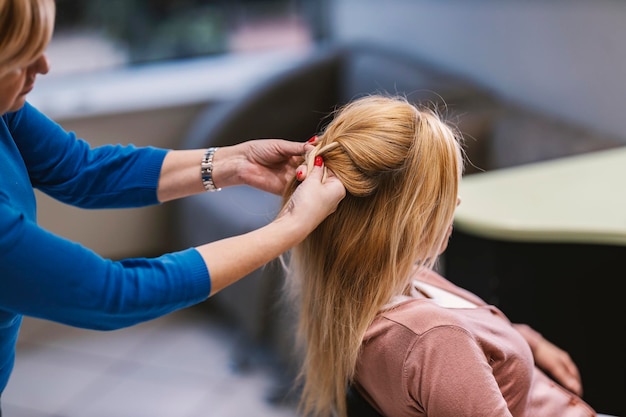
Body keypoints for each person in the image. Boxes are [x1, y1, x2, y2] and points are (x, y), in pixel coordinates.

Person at [0, 0, 346, 412]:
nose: (43, 67)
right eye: (20, 57)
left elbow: (83, 169)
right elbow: (114, 293)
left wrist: (233, 163)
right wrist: (290, 226)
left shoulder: (7, 109)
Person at [281, 95, 599, 417]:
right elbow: (442, 349)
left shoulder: (375, 287)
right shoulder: (437, 340)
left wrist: (524, 341)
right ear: (403, 222)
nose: (456, 203)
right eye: (442, 194)